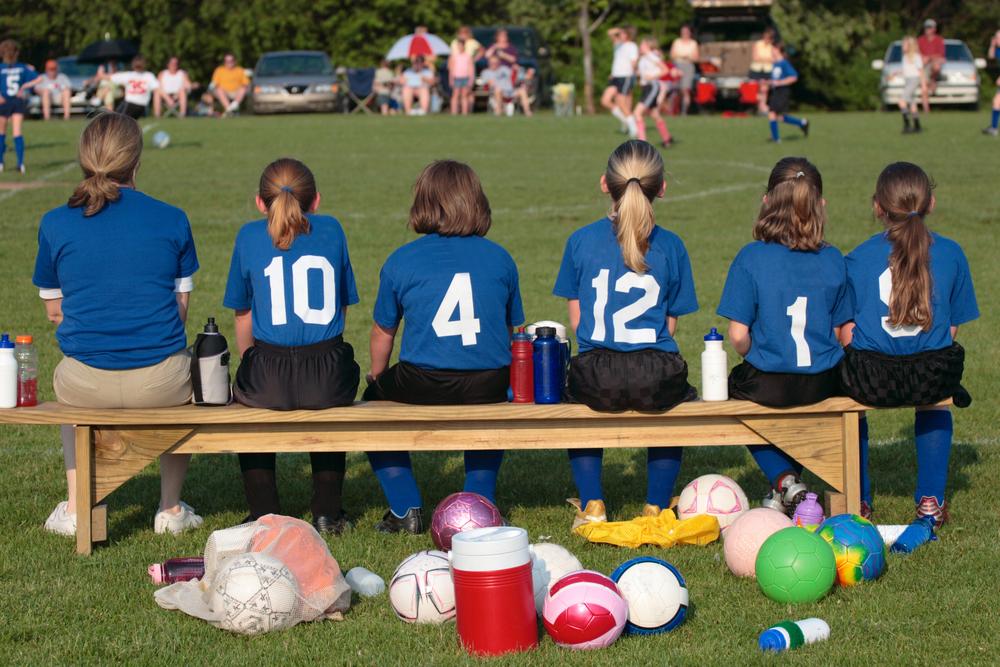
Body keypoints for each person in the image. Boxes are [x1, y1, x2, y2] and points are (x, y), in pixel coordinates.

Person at [32, 112, 203, 537]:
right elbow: (180, 310)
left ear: (83, 158)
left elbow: (54, 312)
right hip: (162, 382)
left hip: (84, 380)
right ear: (137, 162)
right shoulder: (173, 217)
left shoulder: (55, 222)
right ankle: (170, 509)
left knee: (66, 386)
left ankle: (76, 507)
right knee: (188, 381)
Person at [364, 160, 524, 534]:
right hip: (489, 379)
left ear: (423, 203)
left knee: (371, 407)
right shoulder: (500, 257)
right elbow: (511, 327)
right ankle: (478, 501)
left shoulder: (402, 259)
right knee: (489, 412)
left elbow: (383, 331)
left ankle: (405, 508)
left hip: (423, 378)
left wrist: (378, 377)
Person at [553, 140, 698, 530]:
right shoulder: (672, 244)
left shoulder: (580, 240)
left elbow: (577, 321)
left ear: (605, 184)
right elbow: (669, 324)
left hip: (597, 369)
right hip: (655, 368)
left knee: (576, 403)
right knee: (675, 406)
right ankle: (655, 505)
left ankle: (593, 502)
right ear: (662, 188)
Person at [839, 162, 978, 551]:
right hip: (931, 374)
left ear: (877, 207)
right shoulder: (950, 253)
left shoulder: (858, 257)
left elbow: (847, 331)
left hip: (871, 377)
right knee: (936, 401)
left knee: (850, 400)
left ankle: (859, 503)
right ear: (931, 202)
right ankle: (930, 504)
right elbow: (951, 329)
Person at [223, 159, 361, 534]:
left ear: (259, 202)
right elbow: (341, 306)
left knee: (248, 407)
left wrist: (252, 361)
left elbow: (242, 313)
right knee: (331, 404)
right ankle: (328, 511)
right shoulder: (331, 229)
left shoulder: (249, 235)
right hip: (327, 368)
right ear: (315, 201)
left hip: (269, 367)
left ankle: (264, 512)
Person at [717, 157, 851, 516]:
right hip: (823, 381)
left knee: (729, 397)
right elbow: (844, 332)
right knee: (815, 407)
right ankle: (786, 491)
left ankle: (784, 480)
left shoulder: (751, 257)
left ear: (766, 202)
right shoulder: (834, 258)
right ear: (819, 205)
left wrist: (754, 354)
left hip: (769, 382)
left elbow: (738, 335)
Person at [0, 39, 42, 174]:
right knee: (17, 132)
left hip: (3, 102)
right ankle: (20, 163)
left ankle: (1, 162)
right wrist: (24, 86)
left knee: (1, 133)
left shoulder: (1, 68)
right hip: (17, 101)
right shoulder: (23, 67)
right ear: (16, 53)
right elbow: (39, 78)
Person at [634, 38, 673, 147]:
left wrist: (652, 76)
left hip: (652, 86)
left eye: (642, 44)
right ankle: (667, 138)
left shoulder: (651, 56)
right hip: (646, 87)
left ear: (647, 46)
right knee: (654, 114)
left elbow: (665, 69)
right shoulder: (644, 58)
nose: (640, 47)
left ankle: (642, 143)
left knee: (637, 113)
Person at [766, 42, 808, 142]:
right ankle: (802, 123)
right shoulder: (775, 64)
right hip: (776, 92)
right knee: (780, 117)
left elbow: (794, 77)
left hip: (783, 92)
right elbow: (775, 79)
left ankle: (776, 139)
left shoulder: (784, 63)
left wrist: (780, 82)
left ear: (778, 51)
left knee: (772, 114)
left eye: (773, 49)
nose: (771, 51)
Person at [602, 27, 639, 137]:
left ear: (628, 35)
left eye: (622, 33)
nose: (619, 35)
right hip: (615, 77)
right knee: (605, 101)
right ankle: (627, 122)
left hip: (625, 76)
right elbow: (609, 32)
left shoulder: (632, 46)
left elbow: (634, 62)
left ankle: (633, 128)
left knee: (622, 103)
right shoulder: (618, 45)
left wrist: (635, 76)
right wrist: (619, 30)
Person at [108, 55, 159, 119]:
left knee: (118, 120)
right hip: (139, 106)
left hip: (131, 104)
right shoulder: (148, 75)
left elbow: (111, 77)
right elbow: (157, 89)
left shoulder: (145, 75)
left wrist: (100, 75)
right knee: (116, 117)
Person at [669, 25, 700, 115]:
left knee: (685, 89)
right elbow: (672, 55)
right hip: (677, 66)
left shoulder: (693, 43)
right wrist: (682, 56)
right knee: (675, 89)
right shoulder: (677, 42)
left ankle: (684, 111)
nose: (685, 34)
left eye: (686, 32)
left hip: (688, 67)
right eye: (683, 32)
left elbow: (696, 58)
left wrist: (687, 57)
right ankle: (672, 111)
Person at [917, 19, 945, 113]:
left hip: (932, 65)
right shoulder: (920, 40)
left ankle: (933, 80)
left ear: (934, 29)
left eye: (929, 27)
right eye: (926, 27)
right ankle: (926, 110)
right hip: (923, 67)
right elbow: (917, 55)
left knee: (936, 65)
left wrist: (928, 58)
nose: (927, 29)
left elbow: (940, 55)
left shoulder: (939, 40)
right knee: (924, 88)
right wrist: (924, 59)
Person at [899, 37, 926, 134]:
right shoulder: (904, 57)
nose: (902, 46)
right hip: (907, 80)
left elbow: (921, 71)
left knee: (902, 101)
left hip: (914, 80)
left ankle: (907, 125)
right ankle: (917, 126)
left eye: (904, 45)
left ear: (910, 46)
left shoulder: (916, 57)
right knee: (912, 103)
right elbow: (906, 70)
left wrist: (923, 85)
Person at [749, 27, 776, 114]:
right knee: (757, 89)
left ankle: (762, 107)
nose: (766, 39)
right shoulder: (758, 44)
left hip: (767, 70)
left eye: (769, 38)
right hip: (756, 70)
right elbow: (755, 58)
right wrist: (767, 59)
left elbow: (774, 59)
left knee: (765, 89)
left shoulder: (772, 47)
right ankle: (759, 106)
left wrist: (763, 59)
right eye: (765, 37)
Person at [449, 37, 474, 115]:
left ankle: (464, 112)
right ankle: (454, 112)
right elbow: (451, 69)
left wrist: (471, 79)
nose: (460, 47)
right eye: (459, 45)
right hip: (456, 77)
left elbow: (471, 69)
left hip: (465, 77)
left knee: (464, 95)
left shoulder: (468, 56)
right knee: (455, 95)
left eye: (461, 45)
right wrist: (451, 79)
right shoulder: (454, 56)